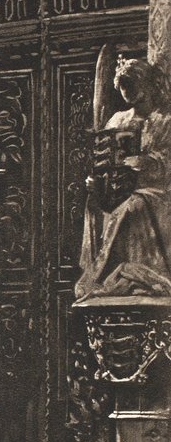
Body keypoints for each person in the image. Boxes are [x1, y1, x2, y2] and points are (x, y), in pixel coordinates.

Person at [76, 56, 171, 300]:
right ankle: (105, 276)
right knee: (95, 204)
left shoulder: (164, 121)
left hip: (156, 191)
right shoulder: (118, 120)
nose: (126, 91)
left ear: (146, 83)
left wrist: (146, 163)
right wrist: (96, 181)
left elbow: (167, 164)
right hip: (117, 188)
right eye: (122, 86)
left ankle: (138, 275)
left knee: (134, 206)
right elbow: (103, 157)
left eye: (131, 84)